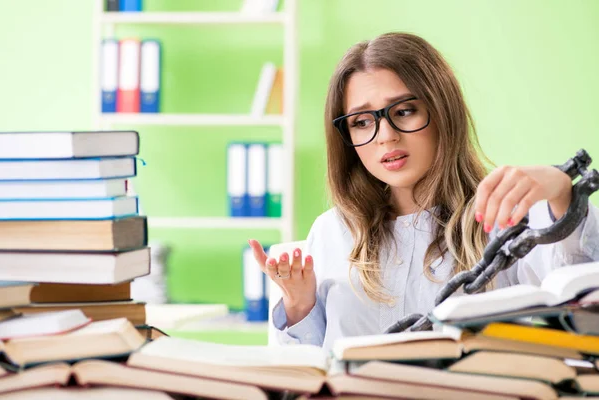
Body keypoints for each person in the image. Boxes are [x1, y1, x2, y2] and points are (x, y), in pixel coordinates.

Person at [248, 32, 599, 352]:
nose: (385, 135)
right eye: (362, 121)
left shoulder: (506, 212)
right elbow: (304, 371)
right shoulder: (331, 232)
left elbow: (584, 309)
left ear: (442, 110)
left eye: (404, 111)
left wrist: (562, 195)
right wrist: (298, 307)